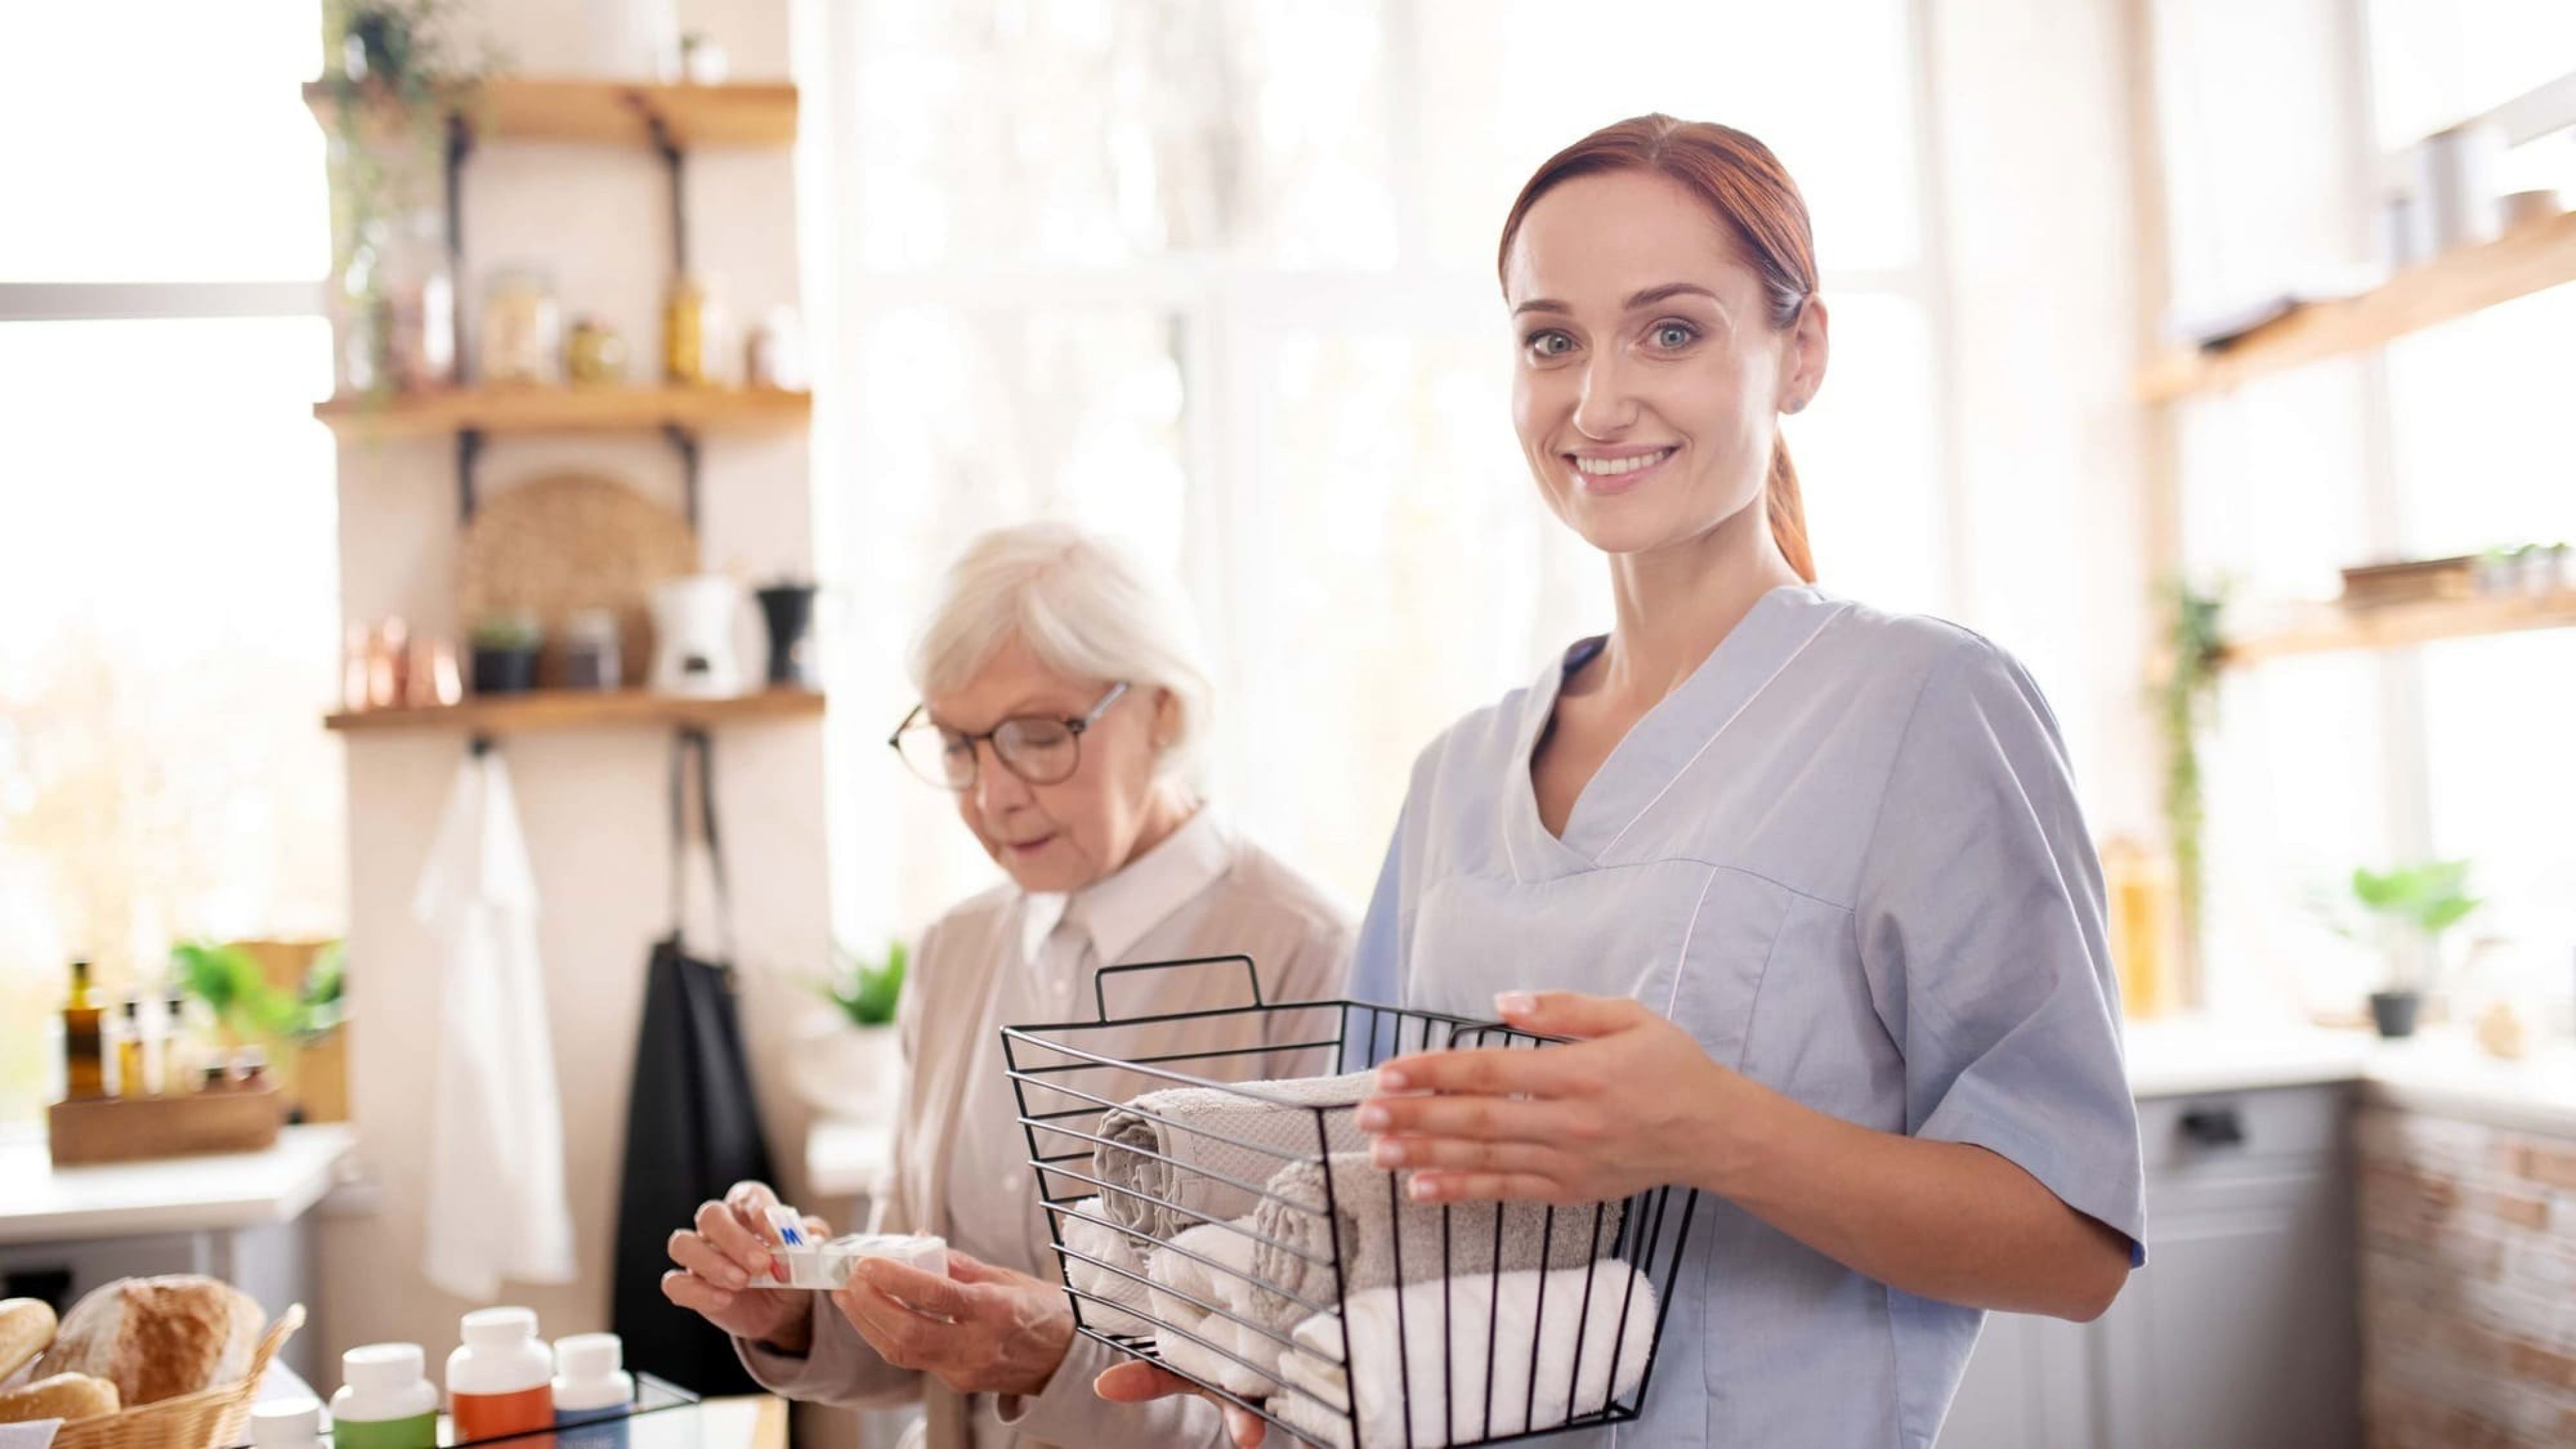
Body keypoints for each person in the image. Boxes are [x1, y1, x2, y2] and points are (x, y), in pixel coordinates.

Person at [1102, 115, 2145, 1448]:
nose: (1596, 403)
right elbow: (1374, 1186)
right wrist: (1266, 1349)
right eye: (1551, 340)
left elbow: (2072, 1247)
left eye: (1671, 332)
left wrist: (1716, 1134)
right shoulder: (1457, 777)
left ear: (1801, 351)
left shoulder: (1926, 710)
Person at [665, 522, 1353, 1449]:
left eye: (1036, 736)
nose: (993, 797)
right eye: (958, 745)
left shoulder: (1308, 957)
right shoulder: (957, 951)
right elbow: (917, 1333)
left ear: (1162, 711)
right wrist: (791, 1309)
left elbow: (1323, 1396)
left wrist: (1058, 1359)